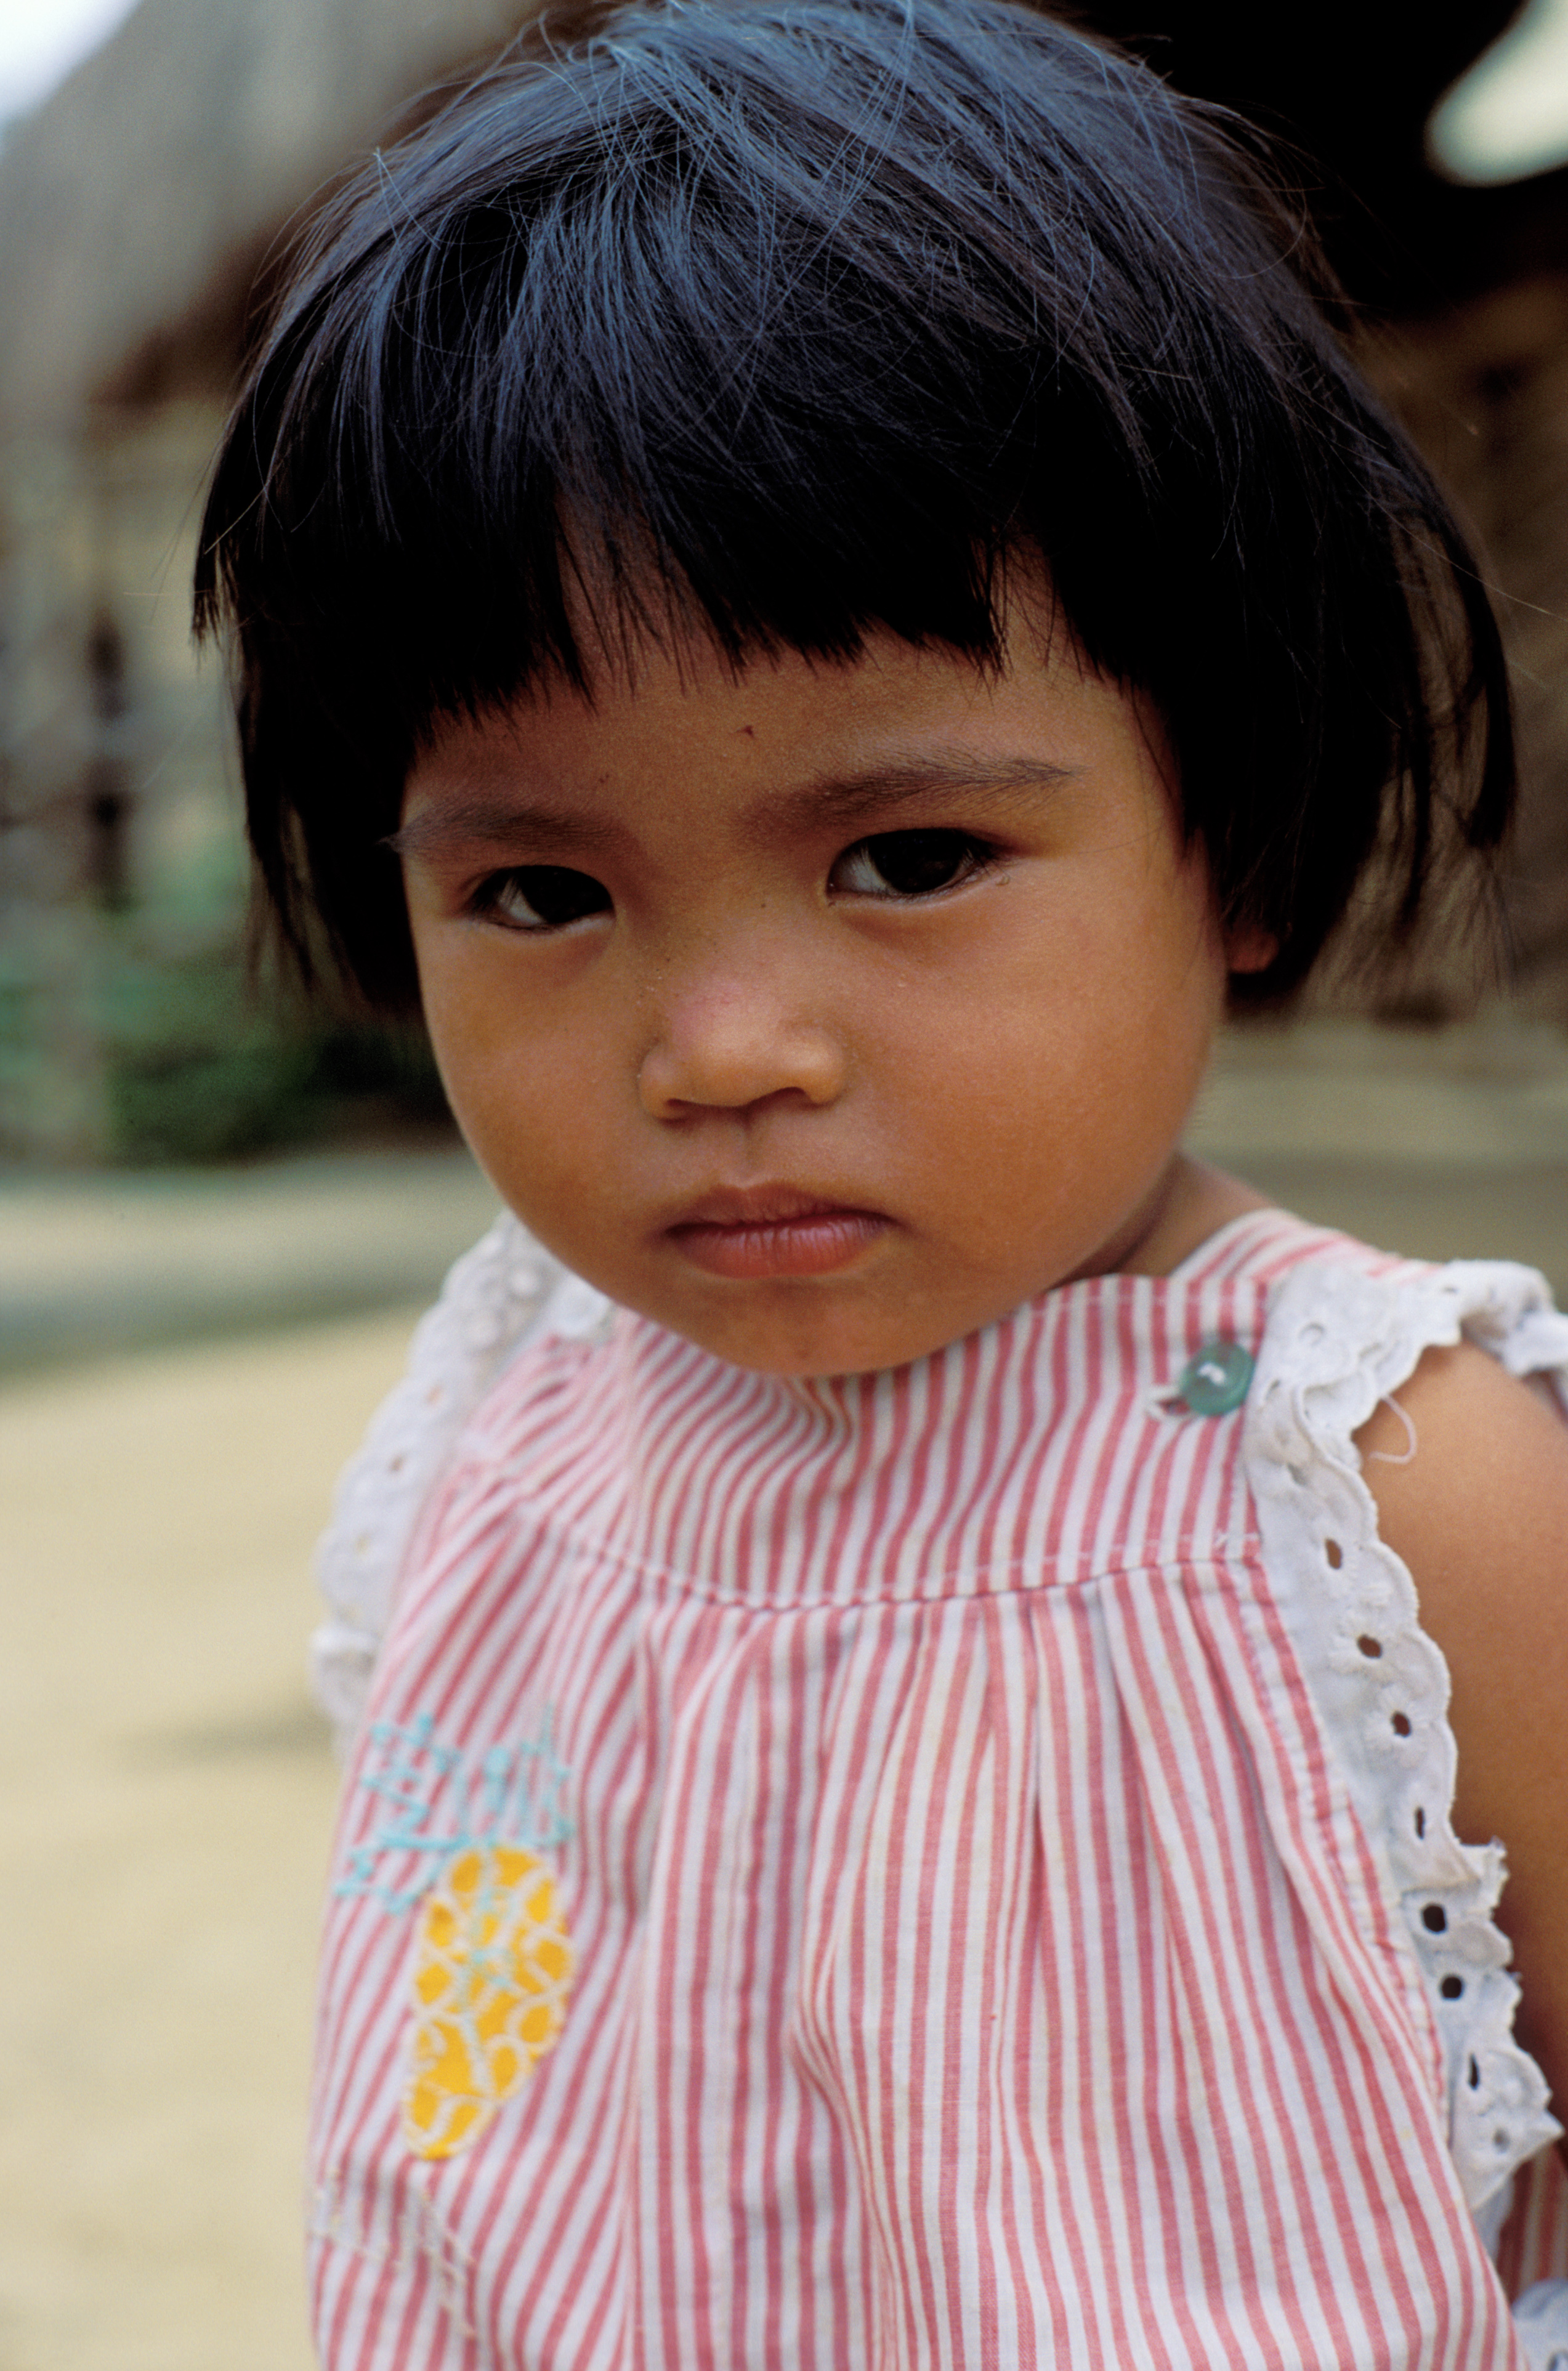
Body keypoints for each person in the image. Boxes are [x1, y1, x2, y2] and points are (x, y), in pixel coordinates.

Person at [195, 1, 1568, 2361]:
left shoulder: (1377, 1489)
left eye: (909, 856)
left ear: (1232, 826)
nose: (722, 1050)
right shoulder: (522, 1425)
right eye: (540, 894)